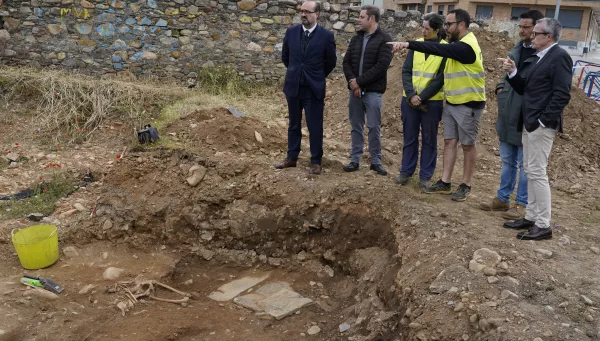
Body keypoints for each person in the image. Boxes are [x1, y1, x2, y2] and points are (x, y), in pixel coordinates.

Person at [389, 9, 485, 202]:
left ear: (461, 25)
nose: (446, 28)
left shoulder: (466, 46)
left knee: (467, 145)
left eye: (449, 24)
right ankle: (445, 182)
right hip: (452, 101)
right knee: (450, 142)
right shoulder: (457, 43)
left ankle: (465, 185)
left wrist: (408, 44)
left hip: (469, 103)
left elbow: (438, 51)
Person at [500, 18, 572, 240]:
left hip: (540, 125)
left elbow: (562, 94)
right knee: (531, 171)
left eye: (536, 33)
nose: (531, 36)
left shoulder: (559, 57)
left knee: (537, 172)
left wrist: (542, 121)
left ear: (548, 37)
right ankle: (531, 216)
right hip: (530, 123)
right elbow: (526, 89)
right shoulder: (539, 58)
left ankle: (543, 224)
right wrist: (512, 72)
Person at [479, 10, 544, 220]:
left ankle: (521, 204)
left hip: (525, 117)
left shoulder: (541, 56)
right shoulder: (515, 50)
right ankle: (502, 198)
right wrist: (500, 88)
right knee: (508, 160)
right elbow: (504, 75)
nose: (522, 31)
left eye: (526, 27)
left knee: (526, 165)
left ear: (537, 29)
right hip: (507, 115)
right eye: (521, 26)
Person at [275, 1, 337, 175]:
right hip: (293, 86)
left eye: (307, 12)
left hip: (313, 88)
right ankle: (291, 158)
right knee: (294, 124)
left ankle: (316, 161)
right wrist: (297, 72)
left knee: (314, 126)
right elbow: (286, 57)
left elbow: (330, 62)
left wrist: (316, 76)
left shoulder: (326, 36)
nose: (303, 14)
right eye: (301, 11)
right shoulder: (291, 32)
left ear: (317, 14)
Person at [395, 13, 447, 189]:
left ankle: (425, 176)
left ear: (437, 30)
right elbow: (406, 71)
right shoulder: (416, 45)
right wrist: (411, 95)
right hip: (409, 100)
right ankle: (406, 172)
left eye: (427, 28)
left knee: (429, 139)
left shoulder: (446, 49)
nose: (423, 31)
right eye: (422, 27)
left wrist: (422, 97)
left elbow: (440, 78)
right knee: (409, 138)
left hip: (432, 102)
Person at [342, 5, 393, 175]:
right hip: (355, 91)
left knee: (373, 126)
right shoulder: (356, 39)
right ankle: (354, 160)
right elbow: (346, 63)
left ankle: (375, 161)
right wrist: (352, 83)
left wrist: (359, 83)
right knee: (356, 125)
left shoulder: (385, 39)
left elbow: (381, 67)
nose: (358, 19)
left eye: (362, 17)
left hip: (372, 92)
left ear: (371, 19)